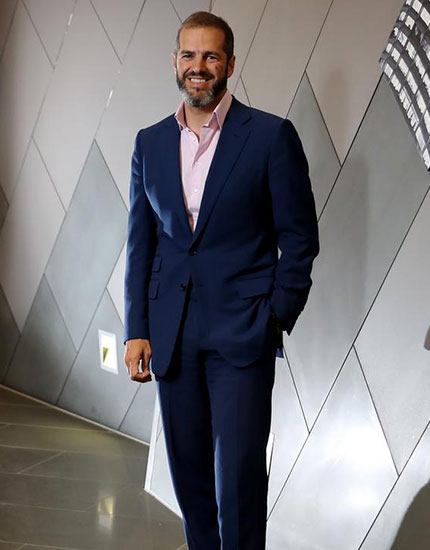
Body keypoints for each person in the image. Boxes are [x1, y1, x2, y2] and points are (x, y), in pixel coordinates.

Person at [123, 11, 319, 550]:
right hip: (172, 338)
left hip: (242, 335)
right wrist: (137, 328)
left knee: (238, 483)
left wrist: (275, 314)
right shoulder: (149, 143)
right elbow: (143, 244)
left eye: (211, 56)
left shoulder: (270, 137)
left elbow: (299, 238)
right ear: (175, 62)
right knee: (189, 481)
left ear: (230, 63)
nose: (199, 67)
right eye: (189, 55)